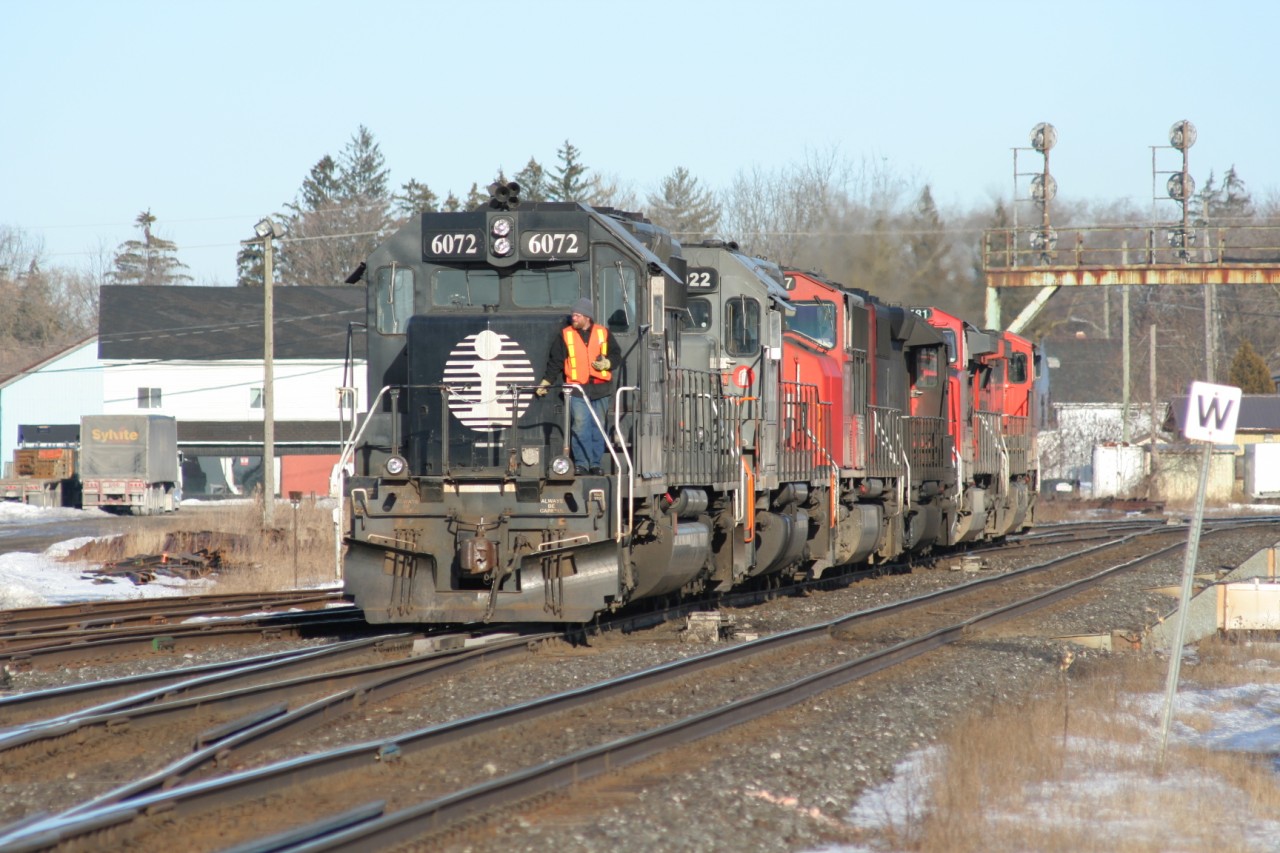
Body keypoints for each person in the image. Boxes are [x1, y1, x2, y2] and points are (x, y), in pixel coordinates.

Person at [536, 297, 617, 475]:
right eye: (573, 315)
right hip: (577, 390)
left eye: (578, 315)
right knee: (580, 426)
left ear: (587, 317)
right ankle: (581, 464)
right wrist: (546, 382)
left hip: (601, 389)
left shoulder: (604, 333)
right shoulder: (565, 335)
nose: (574, 318)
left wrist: (607, 363)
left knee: (598, 427)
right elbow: (556, 361)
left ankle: (595, 464)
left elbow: (616, 355)